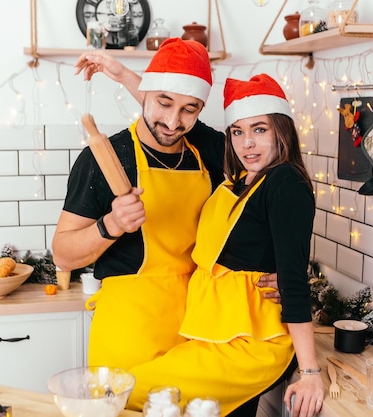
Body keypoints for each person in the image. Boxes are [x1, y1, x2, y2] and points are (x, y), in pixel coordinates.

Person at [53, 38, 277, 372]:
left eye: (189, 109)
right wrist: (111, 225)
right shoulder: (104, 158)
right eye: (164, 102)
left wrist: (284, 275)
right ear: (147, 95)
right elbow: (62, 254)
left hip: (201, 326)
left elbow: (268, 208)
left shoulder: (214, 154)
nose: (173, 122)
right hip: (128, 333)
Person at [122, 73, 324, 417]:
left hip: (252, 342)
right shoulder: (241, 176)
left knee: (125, 390)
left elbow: (292, 280)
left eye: (259, 129)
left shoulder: (285, 182)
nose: (247, 143)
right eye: (238, 131)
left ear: (282, 130)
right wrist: (117, 72)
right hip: (214, 329)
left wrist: (310, 373)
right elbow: (175, 121)